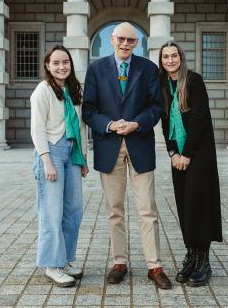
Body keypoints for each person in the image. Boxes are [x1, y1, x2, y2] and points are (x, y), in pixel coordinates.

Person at [82, 22, 172, 289]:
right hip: (109, 146)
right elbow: (89, 109)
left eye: (130, 40)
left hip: (139, 144)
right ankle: (119, 262)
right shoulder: (96, 69)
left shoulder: (148, 69)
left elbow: (157, 106)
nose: (125, 44)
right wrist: (110, 125)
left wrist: (136, 124)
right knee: (115, 211)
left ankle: (154, 266)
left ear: (136, 43)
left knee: (147, 210)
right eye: (121, 39)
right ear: (112, 39)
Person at [159, 41, 222, 287]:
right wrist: (173, 152)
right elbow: (166, 124)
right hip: (179, 155)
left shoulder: (193, 80)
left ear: (181, 58)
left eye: (174, 55)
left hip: (199, 153)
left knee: (199, 203)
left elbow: (199, 118)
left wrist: (186, 153)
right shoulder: (163, 85)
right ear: (162, 61)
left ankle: (203, 260)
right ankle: (191, 255)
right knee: (185, 204)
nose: (170, 60)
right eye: (166, 57)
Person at [30, 44, 88, 287]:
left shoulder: (74, 89)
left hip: (72, 152)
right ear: (47, 65)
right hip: (51, 152)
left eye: (65, 62)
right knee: (52, 211)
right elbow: (37, 128)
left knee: (73, 210)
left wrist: (83, 158)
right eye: (56, 63)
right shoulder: (42, 91)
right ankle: (51, 266)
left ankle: (64, 260)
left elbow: (81, 126)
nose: (61, 66)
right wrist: (46, 161)